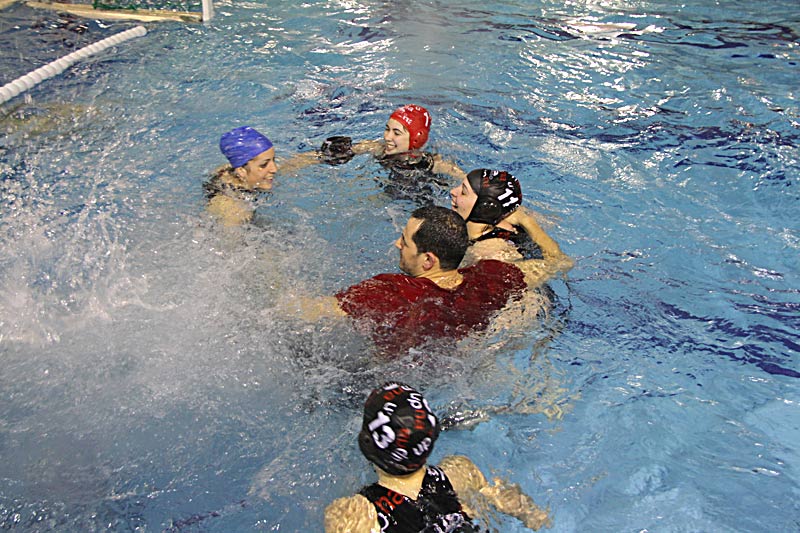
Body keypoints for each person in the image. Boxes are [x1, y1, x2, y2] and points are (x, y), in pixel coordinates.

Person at [295, 205, 569, 354]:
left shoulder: (391, 291)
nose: (397, 244)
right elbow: (558, 262)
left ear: (428, 260)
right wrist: (527, 221)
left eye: (405, 241)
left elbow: (302, 312)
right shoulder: (493, 276)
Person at [324, 381, 551, 532]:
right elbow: (519, 507)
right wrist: (539, 519)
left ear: (367, 443)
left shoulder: (354, 513)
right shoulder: (458, 472)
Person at [284, 104, 466, 202]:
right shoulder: (378, 148)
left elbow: (469, 183)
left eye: (396, 133)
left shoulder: (434, 163)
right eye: (387, 129)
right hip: (389, 195)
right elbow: (334, 154)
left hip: (421, 199)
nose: (387, 137)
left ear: (416, 138)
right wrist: (296, 162)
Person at [451, 169, 572, 273]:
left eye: (463, 192)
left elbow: (561, 263)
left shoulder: (490, 254)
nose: (453, 191)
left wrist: (526, 220)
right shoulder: (508, 211)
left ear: (484, 208)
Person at [204, 126, 277, 226]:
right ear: (241, 171)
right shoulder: (234, 211)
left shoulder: (235, 170)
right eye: (264, 165)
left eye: (273, 160)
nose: (274, 169)